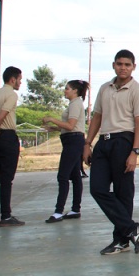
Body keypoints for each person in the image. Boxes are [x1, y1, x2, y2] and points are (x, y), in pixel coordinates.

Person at [83, 49, 139, 255]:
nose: (123, 68)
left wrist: (134, 152)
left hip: (124, 142)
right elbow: (97, 117)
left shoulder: (137, 91)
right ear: (113, 65)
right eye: (120, 64)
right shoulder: (105, 89)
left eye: (127, 65)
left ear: (133, 67)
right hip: (104, 142)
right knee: (97, 188)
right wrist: (87, 143)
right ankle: (131, 228)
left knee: (123, 193)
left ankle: (121, 241)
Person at [42, 80, 89, 223]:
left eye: (67, 88)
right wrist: (55, 128)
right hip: (71, 140)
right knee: (75, 176)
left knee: (63, 176)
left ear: (75, 91)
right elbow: (69, 127)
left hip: (73, 142)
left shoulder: (76, 104)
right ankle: (75, 209)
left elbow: (70, 125)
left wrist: (52, 119)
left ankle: (58, 211)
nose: (65, 91)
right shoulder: (73, 103)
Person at [0, 66, 25, 227]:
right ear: (13, 79)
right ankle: (6, 216)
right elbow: (1, 116)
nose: (20, 82)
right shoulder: (11, 95)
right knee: (7, 178)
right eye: (20, 79)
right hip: (7, 137)